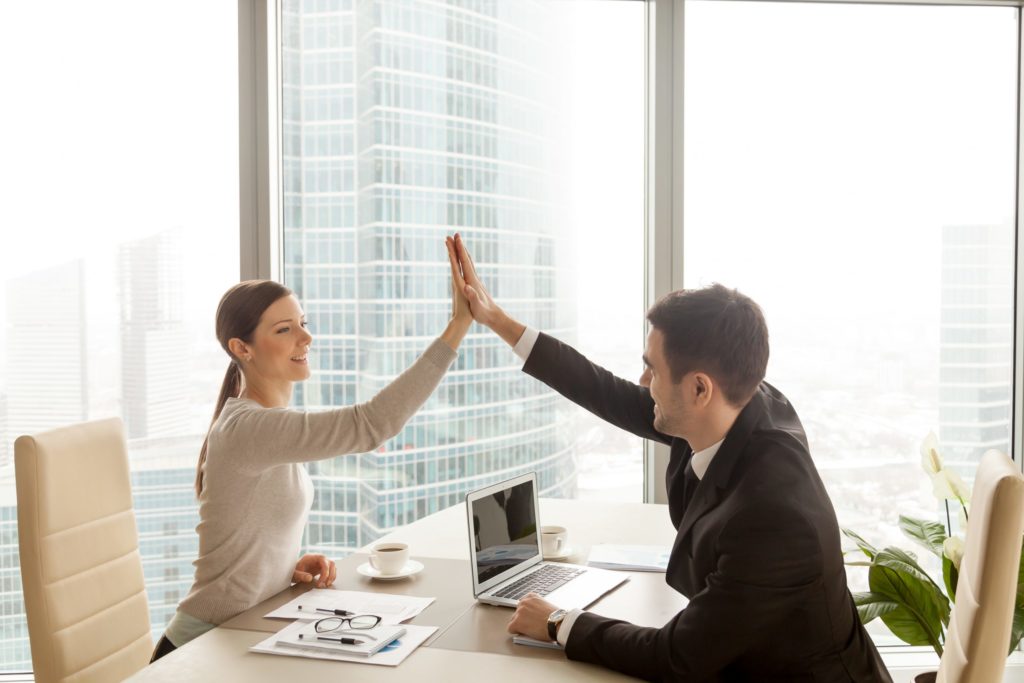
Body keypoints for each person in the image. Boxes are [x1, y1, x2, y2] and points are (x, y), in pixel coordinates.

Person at [452, 235, 892, 682]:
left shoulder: (774, 518)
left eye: (653, 369)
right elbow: (603, 390)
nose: (644, 382)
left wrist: (558, 622)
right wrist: (496, 319)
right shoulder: (732, 406)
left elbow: (677, 657)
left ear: (700, 388)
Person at [150, 237, 473, 662]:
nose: (306, 336)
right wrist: (458, 325)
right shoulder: (249, 428)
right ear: (241, 348)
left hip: (240, 634)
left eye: (302, 322)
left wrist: (284, 570)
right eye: (284, 330)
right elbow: (371, 425)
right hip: (198, 649)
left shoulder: (263, 426)